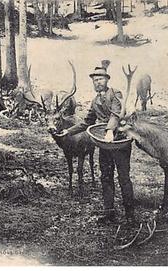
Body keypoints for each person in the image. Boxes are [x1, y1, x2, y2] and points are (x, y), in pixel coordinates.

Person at [56, 65, 135, 224]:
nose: (97, 82)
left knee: (123, 177)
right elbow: (87, 122)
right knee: (106, 177)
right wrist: (68, 132)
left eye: (100, 79)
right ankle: (109, 213)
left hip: (119, 142)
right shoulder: (95, 101)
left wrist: (110, 130)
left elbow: (115, 113)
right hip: (105, 144)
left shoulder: (115, 94)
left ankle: (130, 214)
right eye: (95, 80)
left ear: (107, 80)